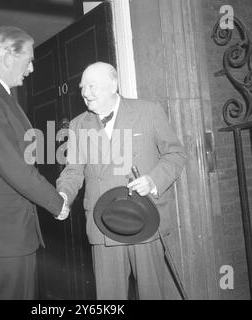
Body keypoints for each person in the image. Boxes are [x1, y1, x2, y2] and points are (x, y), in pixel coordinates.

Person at [57, 62, 187, 300]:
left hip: (145, 219)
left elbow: (176, 154)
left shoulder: (148, 111)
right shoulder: (77, 125)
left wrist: (153, 180)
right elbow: (73, 171)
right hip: (103, 224)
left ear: (114, 84)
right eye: (82, 87)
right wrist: (63, 195)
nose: (85, 92)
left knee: (153, 295)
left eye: (92, 85)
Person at [0, 26, 68, 300]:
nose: (31, 68)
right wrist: (56, 202)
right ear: (8, 55)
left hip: (13, 234)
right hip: (5, 238)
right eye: (28, 59)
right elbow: (16, 168)